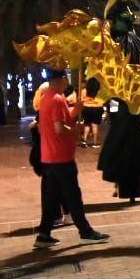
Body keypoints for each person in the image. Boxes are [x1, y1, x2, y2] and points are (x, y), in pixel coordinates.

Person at [33, 72, 109, 249]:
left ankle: (44, 233)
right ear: (60, 80)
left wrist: (76, 109)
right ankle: (85, 231)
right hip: (61, 156)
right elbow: (60, 128)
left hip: (50, 156)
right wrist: (75, 131)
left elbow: (63, 117)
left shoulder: (47, 98)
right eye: (66, 78)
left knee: (51, 198)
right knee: (73, 195)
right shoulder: (57, 99)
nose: (67, 81)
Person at [97, 93, 140, 203]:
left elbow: (112, 115)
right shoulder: (135, 97)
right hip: (131, 134)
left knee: (122, 160)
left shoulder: (116, 98)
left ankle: (123, 187)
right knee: (131, 162)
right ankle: (131, 193)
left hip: (122, 133)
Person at [80, 78, 105, 148]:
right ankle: (95, 142)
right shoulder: (100, 92)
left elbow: (81, 100)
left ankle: (84, 141)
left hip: (86, 108)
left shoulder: (84, 91)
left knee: (87, 124)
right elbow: (103, 101)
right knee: (95, 125)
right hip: (97, 108)